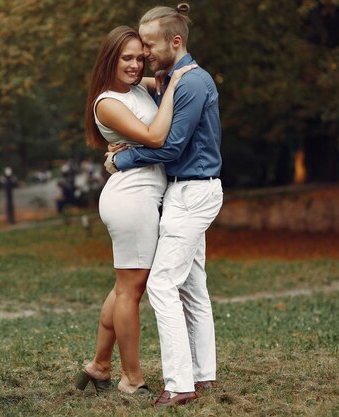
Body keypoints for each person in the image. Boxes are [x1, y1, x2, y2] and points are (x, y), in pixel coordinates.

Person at [104, 3, 223, 408]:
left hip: (192, 192)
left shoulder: (189, 83)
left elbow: (169, 146)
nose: (145, 53)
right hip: (185, 190)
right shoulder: (171, 79)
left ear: (176, 41)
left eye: (150, 45)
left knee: (160, 283)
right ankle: (203, 375)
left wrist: (121, 159)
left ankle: (179, 384)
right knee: (191, 286)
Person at [75, 25, 194, 395]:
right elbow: (157, 137)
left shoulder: (140, 87)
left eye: (139, 57)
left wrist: (170, 72)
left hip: (144, 194)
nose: (134, 64)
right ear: (110, 58)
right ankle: (132, 377)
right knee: (132, 289)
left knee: (124, 286)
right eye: (126, 57)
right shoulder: (107, 102)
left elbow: (167, 67)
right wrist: (173, 87)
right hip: (132, 197)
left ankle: (98, 366)